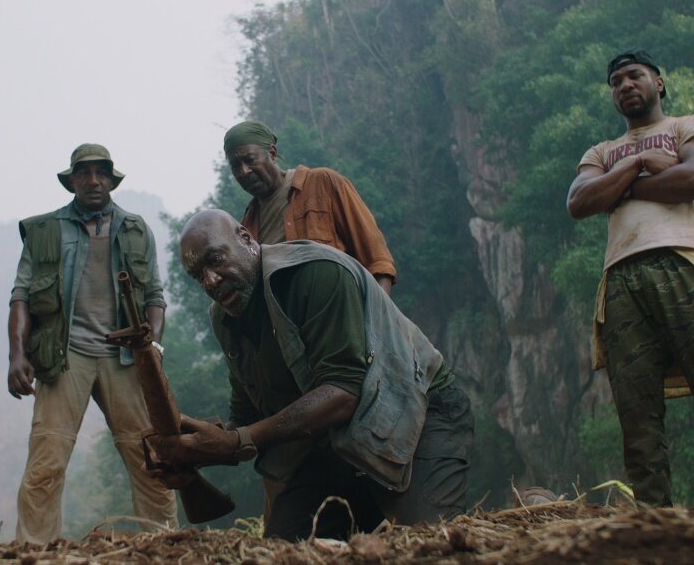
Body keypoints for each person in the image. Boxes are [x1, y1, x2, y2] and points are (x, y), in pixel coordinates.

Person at [148, 209, 473, 541]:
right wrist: (192, 451)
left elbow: (344, 391)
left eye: (215, 260)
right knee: (281, 551)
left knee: (428, 543)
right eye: (198, 275)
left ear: (245, 238)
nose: (211, 281)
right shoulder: (224, 318)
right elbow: (247, 414)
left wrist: (236, 442)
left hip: (418, 414)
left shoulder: (314, 272)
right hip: (334, 445)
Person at [8, 143, 177, 544]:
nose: (93, 181)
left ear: (112, 180)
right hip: (65, 357)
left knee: (151, 457)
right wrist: (17, 355)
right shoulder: (45, 231)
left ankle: (165, 545)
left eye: (101, 173)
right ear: (71, 181)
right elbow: (21, 295)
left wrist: (153, 348)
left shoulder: (136, 229)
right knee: (46, 462)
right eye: (84, 173)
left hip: (126, 359)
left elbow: (155, 295)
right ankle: (34, 550)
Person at [567, 49, 694, 506]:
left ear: (659, 82)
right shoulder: (601, 152)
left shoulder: (690, 126)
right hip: (620, 278)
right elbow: (579, 202)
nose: (625, 85)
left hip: (685, 263)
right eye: (616, 82)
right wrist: (636, 165)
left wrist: (620, 189)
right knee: (636, 410)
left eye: (635, 76)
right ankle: (654, 519)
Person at [224, 121, 396, 294]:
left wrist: (378, 309)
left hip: (342, 305)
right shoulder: (245, 229)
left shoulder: (324, 183)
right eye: (235, 166)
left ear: (272, 154)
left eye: (250, 160)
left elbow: (378, 261)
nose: (244, 171)